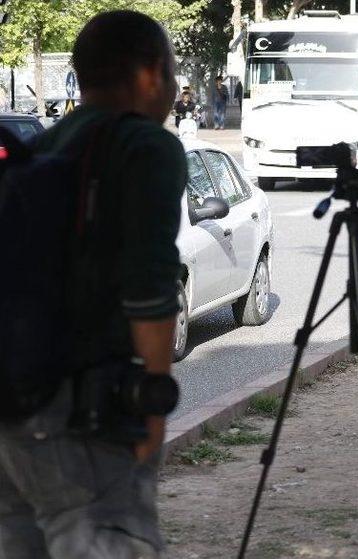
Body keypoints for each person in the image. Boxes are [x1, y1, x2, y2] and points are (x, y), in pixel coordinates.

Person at [0, 10, 186, 559]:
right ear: (152, 73)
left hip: (15, 402)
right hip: (82, 416)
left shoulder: (49, 145)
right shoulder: (145, 146)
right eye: (172, 72)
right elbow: (149, 286)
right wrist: (153, 399)